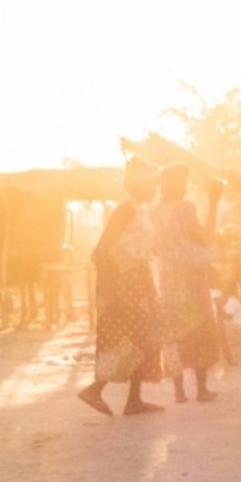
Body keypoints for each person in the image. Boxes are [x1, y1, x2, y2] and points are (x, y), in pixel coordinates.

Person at [79, 158, 164, 415]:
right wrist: (110, 291)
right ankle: (94, 390)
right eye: (152, 183)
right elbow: (100, 252)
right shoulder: (125, 209)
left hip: (137, 280)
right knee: (126, 340)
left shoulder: (138, 209)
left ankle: (134, 400)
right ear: (140, 184)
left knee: (142, 337)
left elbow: (138, 244)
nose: (155, 189)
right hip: (122, 283)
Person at [154, 165, 220, 402]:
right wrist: (213, 203)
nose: (184, 187)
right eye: (181, 182)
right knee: (198, 329)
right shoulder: (184, 209)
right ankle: (201, 389)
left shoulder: (154, 212)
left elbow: (153, 248)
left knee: (173, 333)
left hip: (167, 281)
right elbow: (205, 239)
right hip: (190, 280)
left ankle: (179, 391)